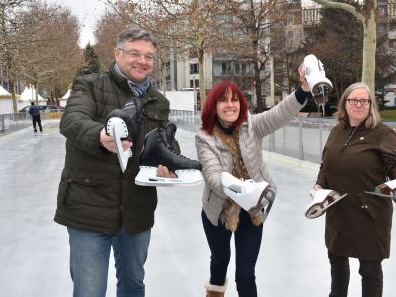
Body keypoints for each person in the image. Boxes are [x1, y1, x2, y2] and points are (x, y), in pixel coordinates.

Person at [54, 28, 176, 297]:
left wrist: (169, 164)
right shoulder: (88, 85)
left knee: (133, 286)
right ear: (117, 53)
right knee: (89, 291)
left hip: (136, 210)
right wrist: (100, 137)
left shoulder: (158, 100)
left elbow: (164, 142)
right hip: (89, 208)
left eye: (149, 56)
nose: (142, 61)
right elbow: (72, 121)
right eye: (134, 53)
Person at [195, 68, 311, 297]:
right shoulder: (204, 137)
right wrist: (244, 188)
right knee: (220, 260)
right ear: (214, 107)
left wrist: (304, 90)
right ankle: (215, 292)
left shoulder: (253, 125)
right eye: (223, 101)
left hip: (252, 211)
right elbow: (212, 175)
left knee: (246, 275)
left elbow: (280, 113)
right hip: (218, 212)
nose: (230, 105)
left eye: (235, 100)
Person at [312, 82, 396, 297]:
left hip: (369, 212)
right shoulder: (337, 131)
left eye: (364, 101)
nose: (358, 104)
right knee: (336, 261)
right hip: (339, 210)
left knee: (370, 269)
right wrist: (320, 184)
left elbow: (395, 163)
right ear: (345, 104)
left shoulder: (382, 133)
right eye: (353, 100)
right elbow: (325, 163)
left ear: (370, 105)